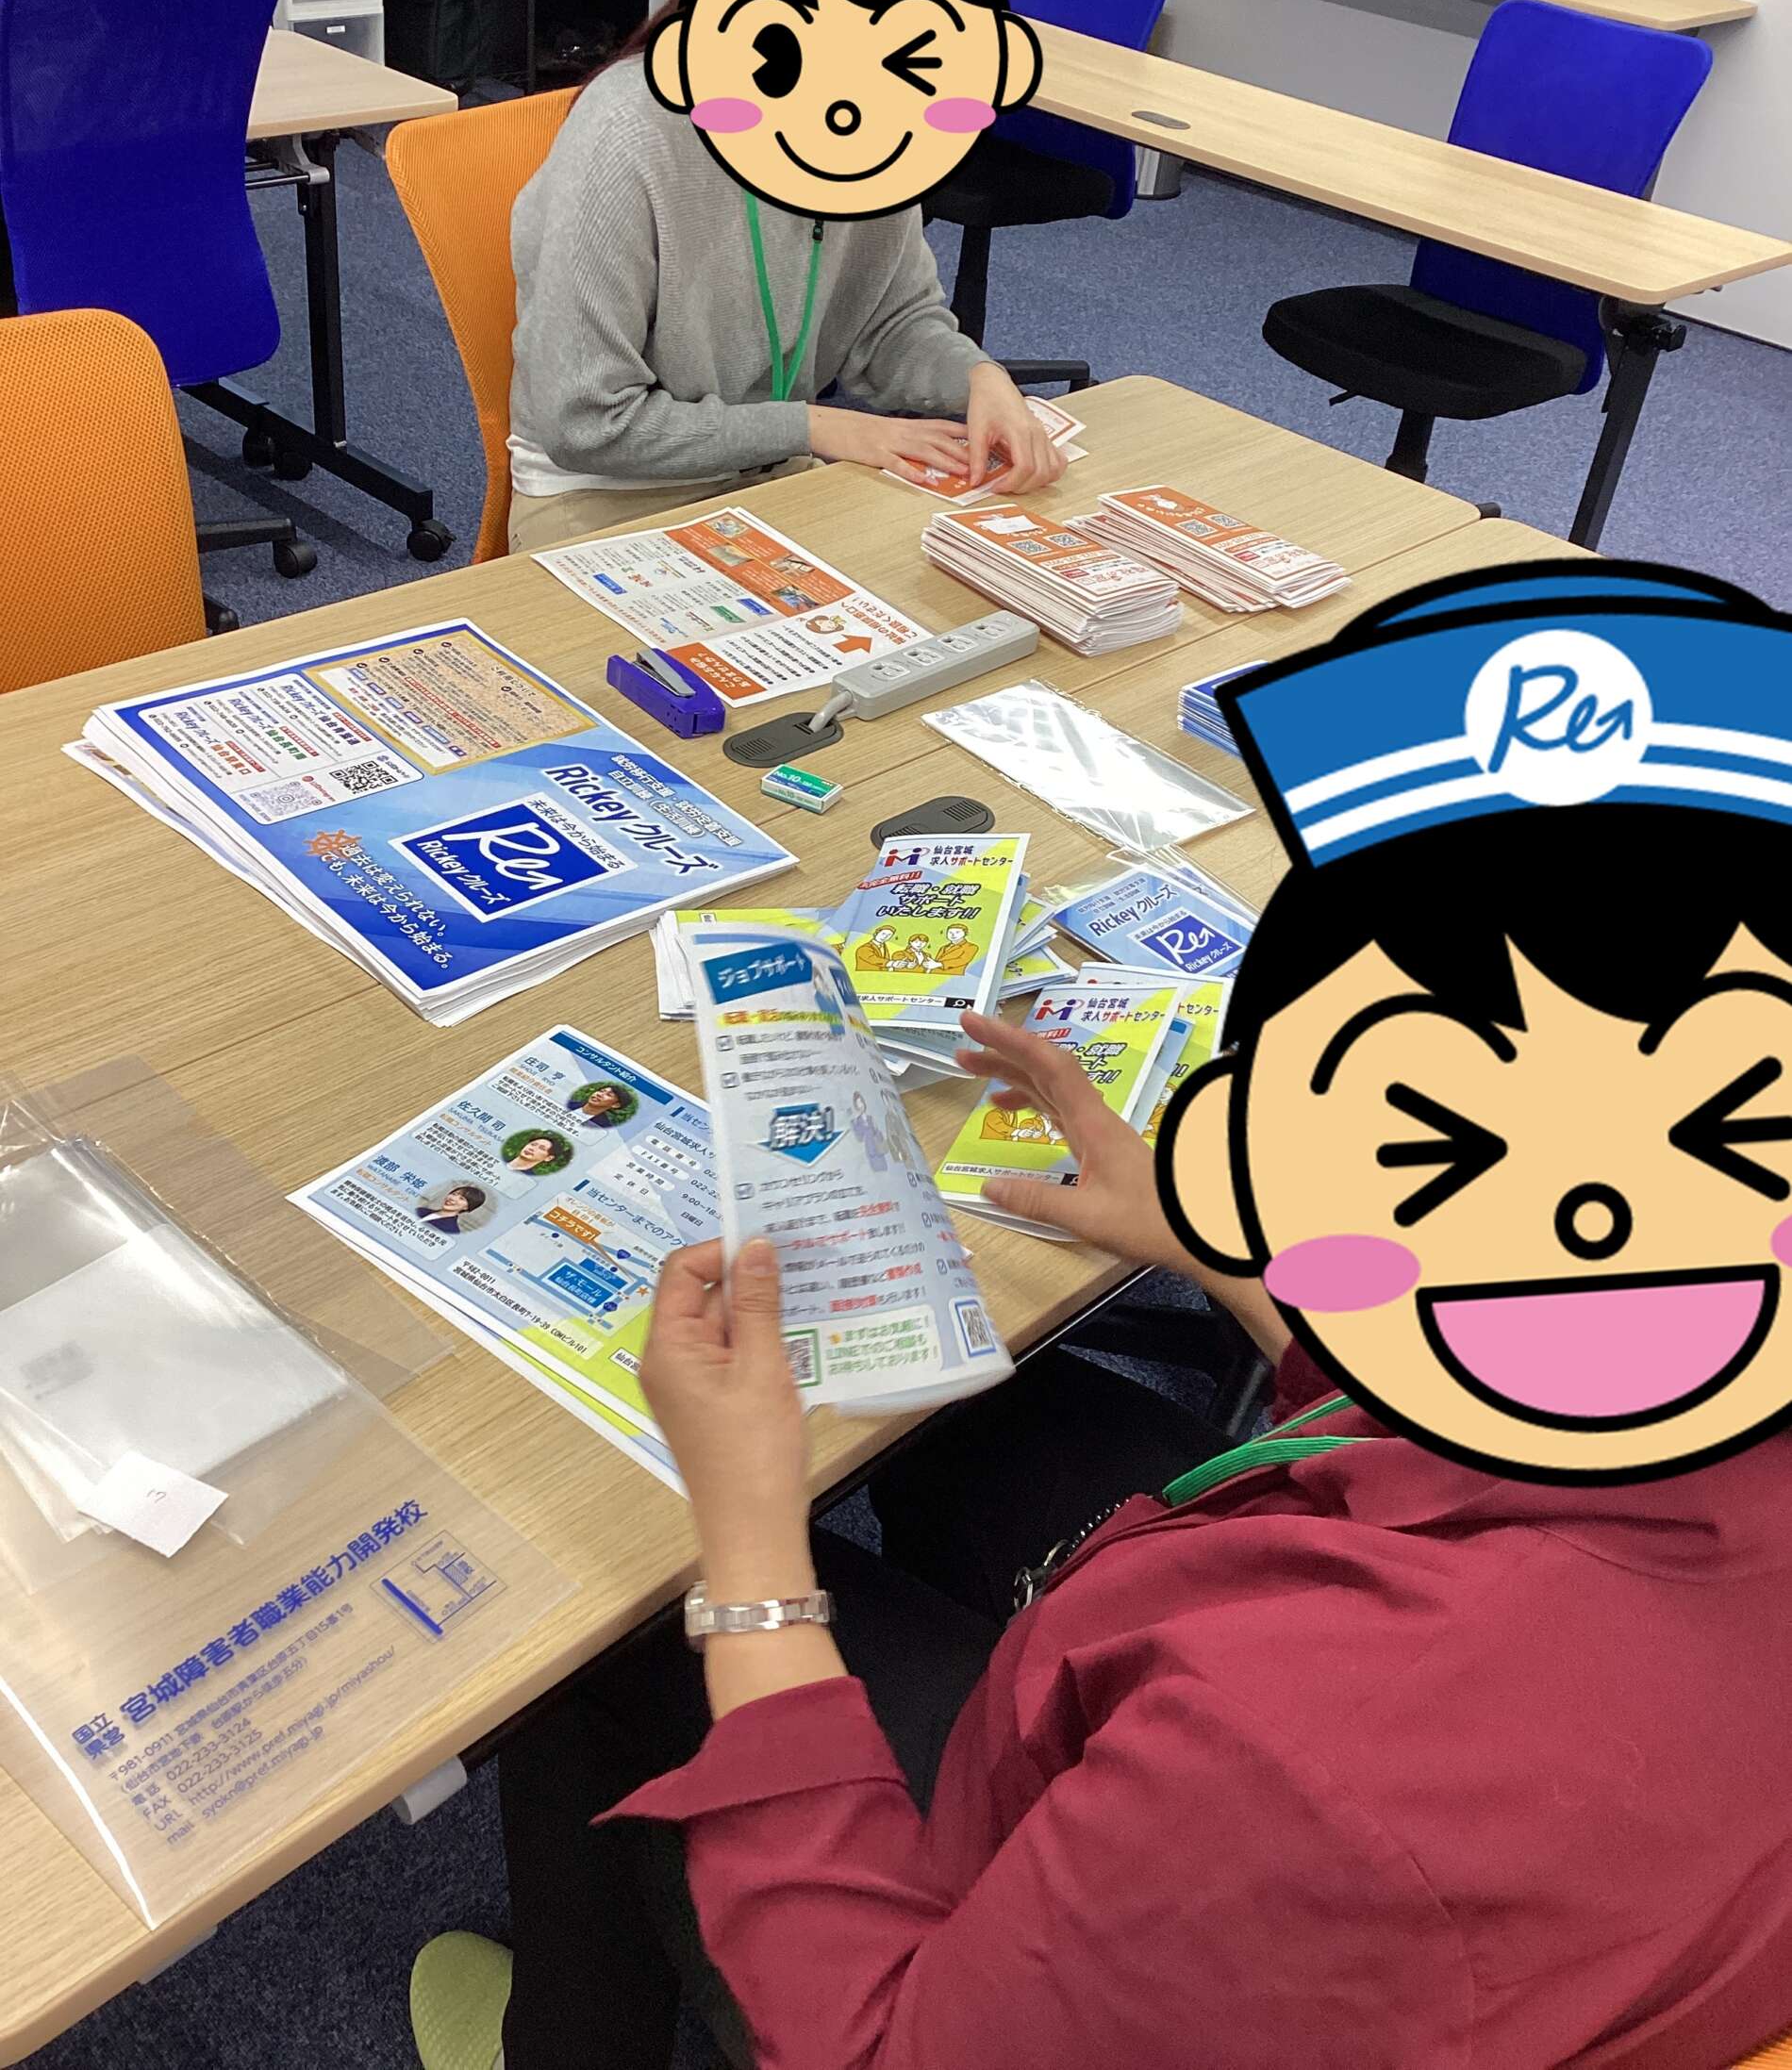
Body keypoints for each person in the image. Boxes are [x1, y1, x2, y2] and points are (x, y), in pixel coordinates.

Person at [415, 563, 1792, 2070]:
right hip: (1428, 1727)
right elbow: (1555, 1376)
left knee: (610, 1638)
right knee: (983, 1412)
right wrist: (1224, 1260)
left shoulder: (1312, 1770)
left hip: (1098, 1919)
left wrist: (751, 1553)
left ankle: (560, 2041)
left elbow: (889, 2048)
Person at [506, 0, 1070, 555]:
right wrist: (814, 427)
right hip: (606, 495)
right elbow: (586, 422)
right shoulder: (628, 130)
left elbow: (891, 321)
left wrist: (979, 378)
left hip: (773, 473)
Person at [415, 1181, 486, 1235]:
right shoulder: (421, 1210)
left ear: (467, 1207)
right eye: (454, 1194)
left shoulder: (452, 1230)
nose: (452, 1198)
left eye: (462, 1198)